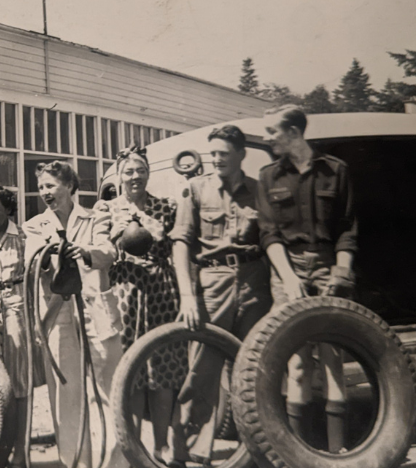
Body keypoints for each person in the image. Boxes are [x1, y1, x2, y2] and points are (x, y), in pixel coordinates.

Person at [255, 104, 358, 454]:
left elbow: (347, 230)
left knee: (332, 359)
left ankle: (337, 452)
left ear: (294, 133)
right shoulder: (268, 176)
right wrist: (289, 278)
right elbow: (269, 235)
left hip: (329, 266)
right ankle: (298, 453)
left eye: (272, 132)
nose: (266, 138)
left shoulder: (335, 171)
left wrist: (341, 271)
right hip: (288, 268)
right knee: (297, 364)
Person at [170, 125, 272, 464]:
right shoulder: (195, 189)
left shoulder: (259, 190)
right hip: (212, 286)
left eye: (223, 154)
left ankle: (256, 453)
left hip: (255, 284)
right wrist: (187, 296)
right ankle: (193, 454)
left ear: (241, 154)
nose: (215, 160)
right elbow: (181, 244)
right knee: (203, 371)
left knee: (255, 372)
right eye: (212, 153)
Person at [24, 161, 123, 468]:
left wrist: (85, 251)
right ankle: (76, 462)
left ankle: (115, 462)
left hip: (96, 312)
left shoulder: (95, 216)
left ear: (69, 186)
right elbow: (30, 261)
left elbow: (109, 251)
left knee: (109, 389)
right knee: (66, 394)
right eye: (41, 187)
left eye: (50, 185)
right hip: (57, 316)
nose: (45, 193)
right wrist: (49, 252)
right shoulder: (35, 225)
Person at [95, 148, 186, 466]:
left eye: (140, 170)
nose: (135, 176)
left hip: (161, 292)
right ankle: (133, 449)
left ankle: (162, 447)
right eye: (129, 171)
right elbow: (100, 249)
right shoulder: (106, 208)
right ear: (119, 176)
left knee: (162, 373)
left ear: (148, 173)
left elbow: (178, 248)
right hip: (125, 294)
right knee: (130, 372)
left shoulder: (166, 206)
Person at [0, 183, 35, 467]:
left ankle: (22, 452)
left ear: (9, 210)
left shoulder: (24, 236)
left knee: (20, 383)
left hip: (16, 310)